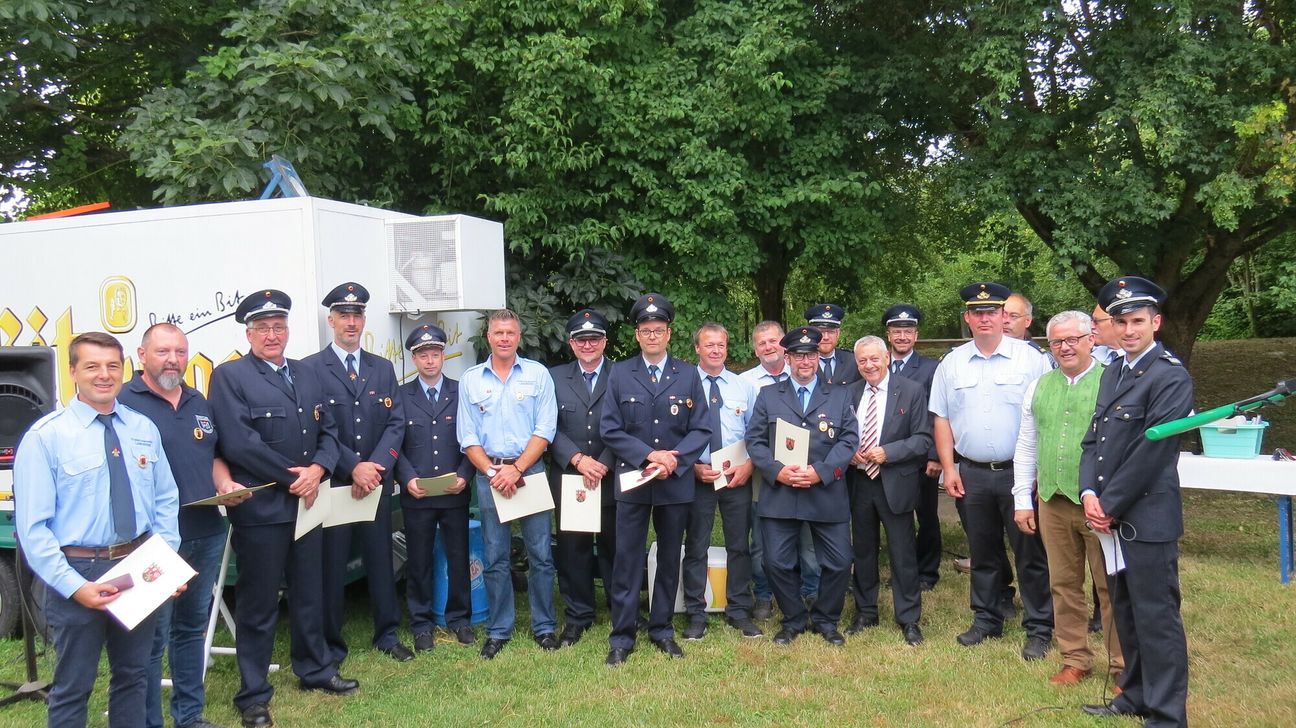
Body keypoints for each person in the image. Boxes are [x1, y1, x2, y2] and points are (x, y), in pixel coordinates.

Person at [14, 332, 182, 728]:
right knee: (74, 686)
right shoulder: (46, 438)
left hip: (138, 567)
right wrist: (74, 587)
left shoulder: (142, 428)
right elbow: (34, 529)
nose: (104, 375)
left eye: (112, 366)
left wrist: (166, 563)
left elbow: (165, 501)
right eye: (92, 366)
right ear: (73, 372)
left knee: (134, 677)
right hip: (79, 572)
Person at [207, 289, 355, 728]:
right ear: (249, 333)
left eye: (278, 326)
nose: (272, 335)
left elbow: (330, 431)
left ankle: (315, 669)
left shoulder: (307, 374)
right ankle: (253, 694)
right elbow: (238, 443)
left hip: (309, 503)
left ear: (288, 330)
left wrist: (319, 468)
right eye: (262, 328)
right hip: (263, 510)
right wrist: (296, 478)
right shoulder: (230, 376)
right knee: (259, 604)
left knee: (311, 593)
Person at [1080, 276, 1194, 727]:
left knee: (1157, 616)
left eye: (1137, 321)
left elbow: (1154, 451)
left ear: (1156, 322)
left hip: (1145, 517)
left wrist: (1109, 503)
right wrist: (1089, 492)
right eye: (1120, 322)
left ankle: (1167, 715)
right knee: (1124, 608)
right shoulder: (1113, 371)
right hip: (1109, 513)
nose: (1128, 330)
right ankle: (1136, 694)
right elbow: (1095, 440)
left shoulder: (1170, 376)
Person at [120, 324, 240, 728]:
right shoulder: (123, 402)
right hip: (151, 542)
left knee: (191, 628)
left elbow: (214, 455)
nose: (173, 359)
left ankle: (189, 716)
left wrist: (223, 482)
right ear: (141, 355)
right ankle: (149, 720)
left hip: (205, 529)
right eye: (163, 352)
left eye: (180, 352)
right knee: (153, 638)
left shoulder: (197, 400)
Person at [930, 282, 1053, 660]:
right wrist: (949, 468)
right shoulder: (952, 362)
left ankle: (1039, 627)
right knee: (983, 551)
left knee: (1029, 552)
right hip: (972, 473)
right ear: (968, 318)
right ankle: (987, 618)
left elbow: (1047, 416)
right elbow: (942, 419)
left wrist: (1038, 473)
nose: (984, 318)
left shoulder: (1031, 359)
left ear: (1004, 316)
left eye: (992, 312)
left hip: (1021, 473)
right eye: (977, 313)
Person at [1011, 311, 1123, 688]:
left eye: (1073, 339)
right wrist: (1022, 499)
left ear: (1092, 338)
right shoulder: (1039, 385)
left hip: (1101, 505)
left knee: (1110, 586)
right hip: (1052, 500)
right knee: (1063, 583)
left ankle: (1124, 665)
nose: (1065, 347)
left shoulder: (1113, 382)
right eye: (1057, 341)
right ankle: (1075, 658)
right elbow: (1027, 443)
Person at [301, 282, 411, 664]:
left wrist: (376, 468)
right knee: (331, 566)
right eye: (343, 315)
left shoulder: (381, 368)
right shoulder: (311, 369)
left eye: (357, 315)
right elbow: (317, 429)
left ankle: (388, 633)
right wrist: (354, 467)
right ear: (330, 320)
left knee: (382, 559)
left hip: (375, 484)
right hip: (335, 483)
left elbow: (396, 422)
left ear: (364, 320)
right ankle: (331, 643)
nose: (351, 322)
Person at [601, 293, 711, 666]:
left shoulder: (689, 374)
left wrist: (673, 459)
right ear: (637, 335)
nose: (652, 336)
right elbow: (610, 429)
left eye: (659, 330)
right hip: (633, 481)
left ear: (669, 333)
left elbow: (702, 429)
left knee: (668, 558)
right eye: (646, 331)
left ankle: (662, 629)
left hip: (674, 481)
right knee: (627, 559)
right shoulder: (619, 373)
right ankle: (622, 635)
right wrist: (650, 455)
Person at [746, 326, 858, 647]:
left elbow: (850, 440)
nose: (805, 361)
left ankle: (825, 619)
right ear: (788, 357)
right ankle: (794, 618)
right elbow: (754, 441)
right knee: (776, 562)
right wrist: (777, 472)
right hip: (781, 492)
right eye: (798, 355)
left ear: (817, 357)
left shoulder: (839, 395)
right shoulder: (769, 395)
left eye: (810, 355)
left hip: (824, 491)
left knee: (839, 561)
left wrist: (820, 472)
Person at [457, 308, 559, 659]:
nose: (504, 338)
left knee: (541, 555)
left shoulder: (537, 374)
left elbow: (545, 429)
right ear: (489, 336)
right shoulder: (471, 379)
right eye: (498, 333)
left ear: (519, 337)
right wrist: (492, 472)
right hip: (489, 479)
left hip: (528, 474)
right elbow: (467, 436)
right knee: (495, 556)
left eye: (510, 333)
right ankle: (500, 630)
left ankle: (544, 626)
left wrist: (516, 469)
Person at [394, 324, 477, 651]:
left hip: (454, 490)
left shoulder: (461, 392)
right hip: (418, 493)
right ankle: (421, 623)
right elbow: (395, 444)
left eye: (435, 353)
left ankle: (460, 619)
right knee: (418, 560)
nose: (430, 360)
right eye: (422, 355)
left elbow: (474, 438)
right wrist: (406, 478)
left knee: (458, 556)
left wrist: (465, 474)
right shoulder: (401, 396)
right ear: (413, 358)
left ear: (443, 355)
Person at [845, 336, 931, 646]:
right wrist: (849, 451)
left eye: (874, 359)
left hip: (894, 482)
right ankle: (866, 612)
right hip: (859, 483)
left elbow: (923, 439)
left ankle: (908, 618)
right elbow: (841, 435)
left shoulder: (910, 390)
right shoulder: (850, 393)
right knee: (864, 551)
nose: (869, 365)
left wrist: (888, 452)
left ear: (886, 358)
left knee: (902, 553)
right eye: (862, 361)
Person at [681, 323, 761, 640]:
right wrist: (690, 468)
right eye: (709, 345)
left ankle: (739, 610)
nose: (716, 350)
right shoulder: (685, 384)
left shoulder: (743, 387)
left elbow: (757, 432)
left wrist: (750, 466)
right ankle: (695, 613)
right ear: (697, 349)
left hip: (736, 476)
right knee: (697, 547)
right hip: (699, 475)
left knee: (739, 546)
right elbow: (676, 435)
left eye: (721, 345)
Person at [547, 309, 618, 647]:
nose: (588, 345)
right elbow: (547, 426)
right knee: (573, 549)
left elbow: (627, 427)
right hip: (570, 477)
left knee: (615, 547)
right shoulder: (554, 377)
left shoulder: (622, 376)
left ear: (605, 341)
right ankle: (578, 615)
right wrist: (577, 459)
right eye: (581, 339)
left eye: (594, 339)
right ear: (571, 344)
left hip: (611, 476)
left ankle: (621, 609)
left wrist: (602, 462)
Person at [740, 321, 816, 619]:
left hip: (806, 471)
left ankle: (810, 590)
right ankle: (763, 593)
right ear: (755, 349)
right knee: (762, 537)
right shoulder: (744, 382)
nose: (769, 347)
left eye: (774, 341)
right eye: (762, 343)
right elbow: (747, 432)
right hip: (764, 472)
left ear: (786, 345)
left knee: (808, 536)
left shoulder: (805, 373)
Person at [882, 303, 944, 591]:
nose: (902, 336)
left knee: (927, 515)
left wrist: (935, 456)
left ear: (916, 335)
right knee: (897, 514)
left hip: (921, 458)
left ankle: (927, 571)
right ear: (889, 335)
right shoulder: (878, 365)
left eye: (908, 331)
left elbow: (938, 413)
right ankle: (898, 565)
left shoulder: (931, 368)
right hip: (885, 458)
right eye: (897, 331)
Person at [807, 303, 861, 386]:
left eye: (831, 332)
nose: (826, 337)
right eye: (821, 331)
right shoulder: (802, 362)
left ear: (838, 333)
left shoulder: (853, 361)